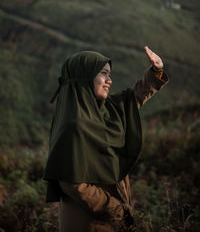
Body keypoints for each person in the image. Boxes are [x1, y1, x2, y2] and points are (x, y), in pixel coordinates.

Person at [43, 46, 169, 232]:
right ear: (84, 78)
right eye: (103, 74)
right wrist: (114, 208)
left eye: (110, 75)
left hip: (111, 220)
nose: (109, 80)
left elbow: (133, 99)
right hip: (88, 222)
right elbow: (72, 183)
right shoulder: (73, 126)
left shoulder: (104, 110)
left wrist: (156, 71)